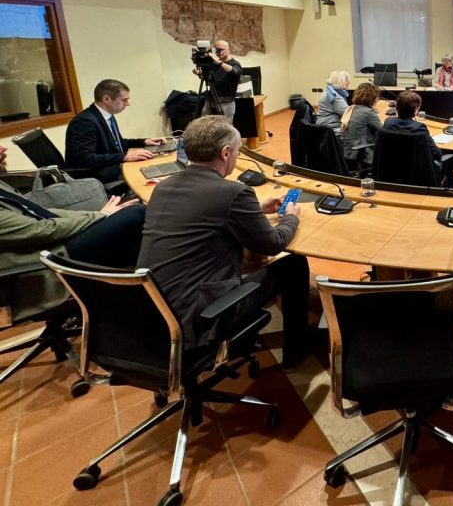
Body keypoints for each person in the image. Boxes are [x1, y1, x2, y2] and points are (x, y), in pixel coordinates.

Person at [136, 116, 312, 368]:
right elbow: (274, 243)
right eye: (238, 151)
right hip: (198, 321)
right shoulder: (233, 193)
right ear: (225, 152)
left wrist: (255, 210)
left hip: (151, 313)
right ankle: (297, 349)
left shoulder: (164, 187)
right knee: (293, 264)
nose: (237, 157)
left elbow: (205, 215)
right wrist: (291, 217)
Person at [0, 143, 145, 268]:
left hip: (56, 240)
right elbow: (40, 230)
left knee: (133, 224)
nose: (3, 148)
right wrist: (101, 215)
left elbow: (42, 211)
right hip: (49, 255)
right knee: (136, 213)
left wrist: (98, 215)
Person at [65, 78, 165, 182]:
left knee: (156, 165)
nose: (128, 104)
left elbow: (115, 143)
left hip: (113, 167)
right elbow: (84, 158)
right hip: (98, 176)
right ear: (106, 99)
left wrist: (143, 142)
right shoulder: (84, 122)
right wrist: (124, 157)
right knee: (152, 176)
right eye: (124, 100)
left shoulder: (107, 116)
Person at [383, 90, 444, 163]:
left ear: (396, 107)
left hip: (390, 167)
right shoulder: (419, 128)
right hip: (416, 169)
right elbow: (437, 154)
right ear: (415, 109)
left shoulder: (388, 122)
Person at [194, 39, 243, 122]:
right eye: (217, 50)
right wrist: (200, 74)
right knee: (205, 123)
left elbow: (235, 72)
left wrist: (220, 63)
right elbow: (210, 79)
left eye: (221, 50)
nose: (219, 52)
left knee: (225, 126)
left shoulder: (234, 63)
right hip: (210, 100)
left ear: (228, 50)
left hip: (226, 102)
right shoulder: (213, 64)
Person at [341, 82, 383, 165]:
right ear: (371, 97)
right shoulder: (369, 113)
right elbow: (383, 131)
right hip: (363, 153)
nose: (377, 99)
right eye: (376, 96)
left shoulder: (352, 108)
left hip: (348, 151)